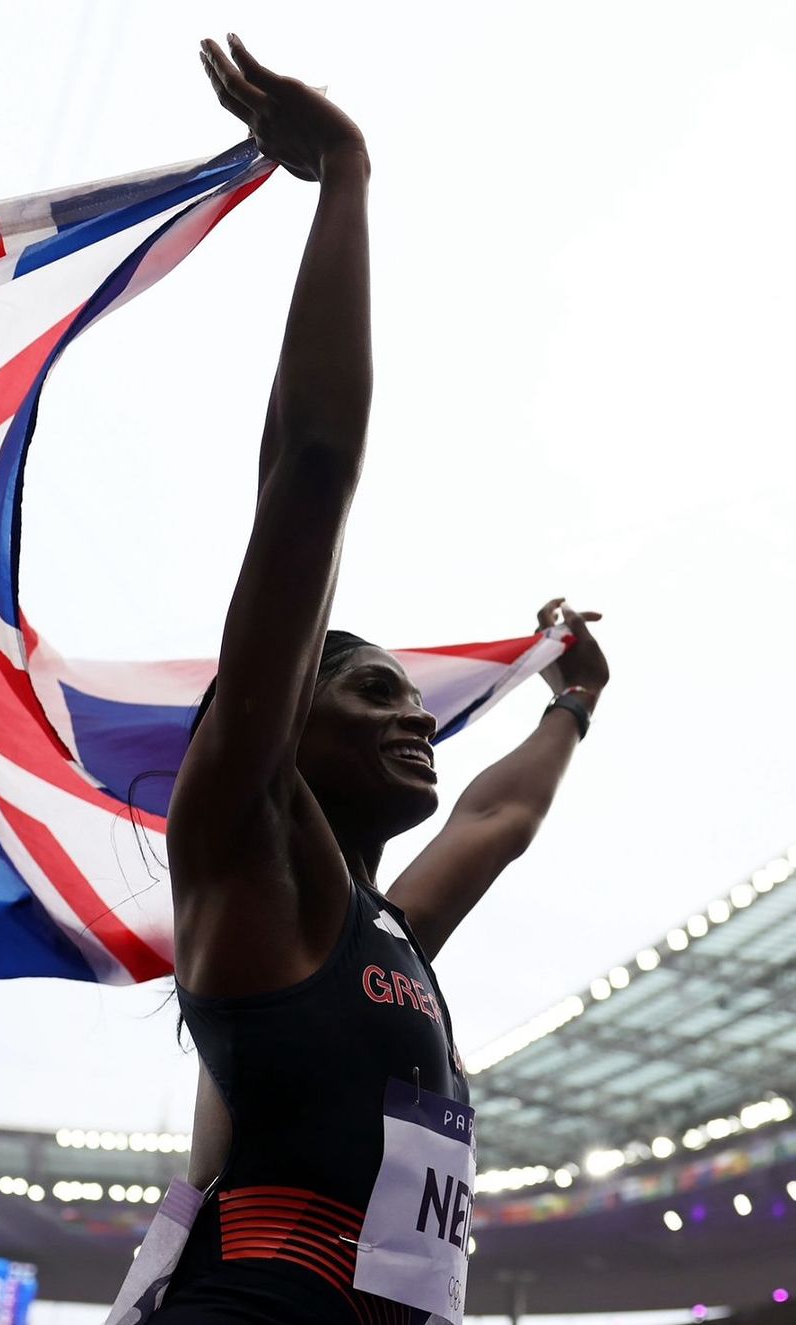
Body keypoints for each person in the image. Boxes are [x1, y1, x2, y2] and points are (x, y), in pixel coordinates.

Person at [152, 35, 610, 1325]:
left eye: (412, 699)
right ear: (283, 719)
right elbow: (309, 471)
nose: (417, 715)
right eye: (375, 694)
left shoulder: (382, 927)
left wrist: (573, 704)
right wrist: (346, 178)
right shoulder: (243, 847)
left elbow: (496, 817)